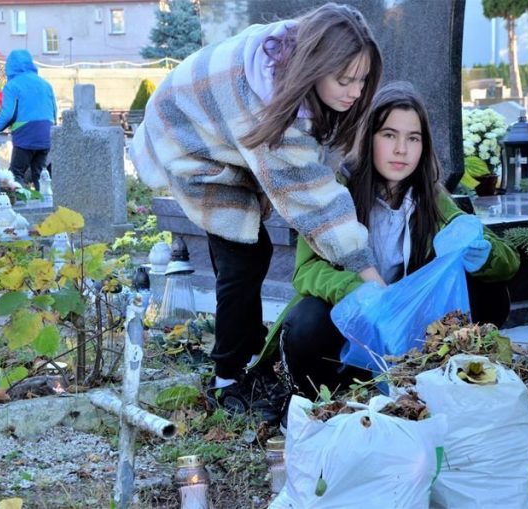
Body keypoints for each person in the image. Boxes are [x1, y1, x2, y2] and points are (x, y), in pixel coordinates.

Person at [130, 3, 384, 422]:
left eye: (362, 80)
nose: (355, 91)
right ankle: (228, 381)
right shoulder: (266, 100)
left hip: (212, 129)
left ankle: (248, 359)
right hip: (186, 141)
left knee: (252, 254)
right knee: (242, 259)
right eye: (345, 80)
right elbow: (313, 200)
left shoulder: (292, 56)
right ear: (316, 65)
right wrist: (365, 269)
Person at [265, 81, 521, 397]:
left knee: (491, 291)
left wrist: (483, 254)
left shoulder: (430, 199)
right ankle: (314, 394)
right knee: (306, 321)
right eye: (389, 135)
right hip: (350, 326)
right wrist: (360, 290)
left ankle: (451, 376)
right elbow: (305, 271)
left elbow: (508, 263)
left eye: (413, 138)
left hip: (407, 331)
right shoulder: (336, 193)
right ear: (368, 138)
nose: (402, 149)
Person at [0, 50, 57, 191]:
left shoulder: (12, 86)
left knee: (16, 174)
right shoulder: (45, 84)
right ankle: (45, 204)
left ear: (9, 66)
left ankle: (20, 206)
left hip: (26, 135)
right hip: (47, 132)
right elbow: (54, 110)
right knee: (40, 175)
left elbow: (8, 114)